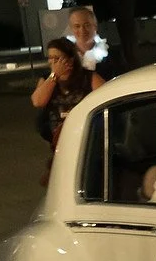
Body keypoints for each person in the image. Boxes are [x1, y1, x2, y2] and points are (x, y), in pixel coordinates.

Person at [30, 37, 104, 181]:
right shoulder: (47, 79)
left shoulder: (88, 78)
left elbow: (107, 97)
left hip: (85, 135)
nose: (53, 62)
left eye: (57, 58)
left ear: (70, 60)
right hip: (59, 138)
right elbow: (38, 101)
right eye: (50, 58)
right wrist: (54, 76)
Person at [65, 5, 126, 78]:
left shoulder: (113, 55)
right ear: (71, 28)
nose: (82, 30)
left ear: (95, 26)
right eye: (77, 26)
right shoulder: (64, 54)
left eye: (87, 25)